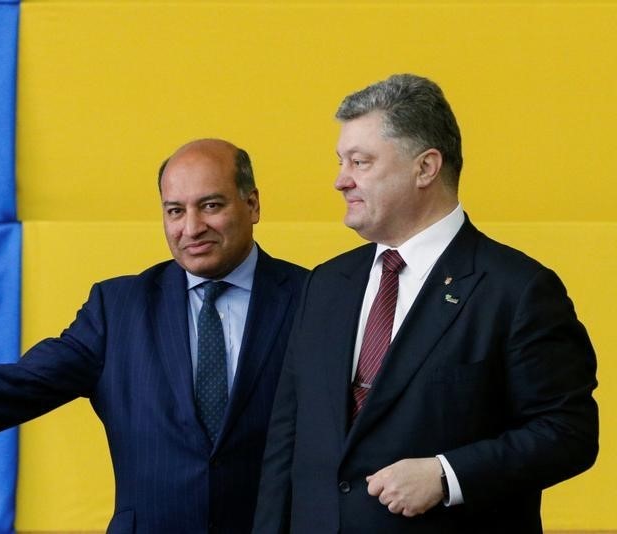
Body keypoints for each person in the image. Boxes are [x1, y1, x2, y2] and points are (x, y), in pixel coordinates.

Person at [0, 138, 308, 534]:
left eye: (211, 205)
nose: (191, 227)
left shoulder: (315, 298)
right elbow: (19, 386)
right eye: (174, 211)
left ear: (253, 203)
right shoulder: (119, 308)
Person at [252, 74, 598, 533]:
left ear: (426, 168)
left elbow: (567, 433)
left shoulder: (517, 289)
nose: (340, 181)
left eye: (361, 162)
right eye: (341, 161)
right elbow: (287, 442)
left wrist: (446, 473)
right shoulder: (325, 284)